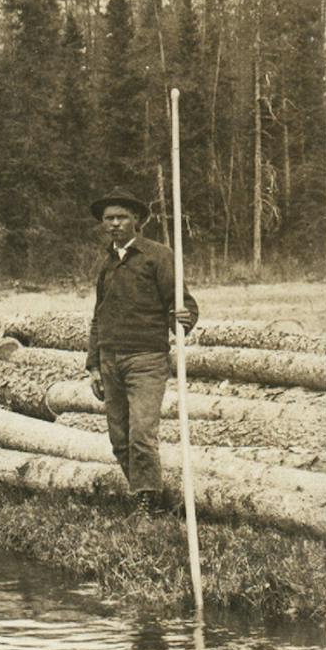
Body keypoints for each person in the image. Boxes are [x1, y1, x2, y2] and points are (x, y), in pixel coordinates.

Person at [86, 187, 199, 508]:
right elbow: (98, 315)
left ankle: (149, 503)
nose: (115, 224)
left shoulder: (158, 256)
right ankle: (146, 494)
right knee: (119, 439)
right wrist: (93, 365)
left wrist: (182, 319)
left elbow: (185, 306)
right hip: (109, 360)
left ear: (136, 220)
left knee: (141, 435)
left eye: (122, 217)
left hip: (146, 358)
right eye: (109, 219)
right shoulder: (107, 263)